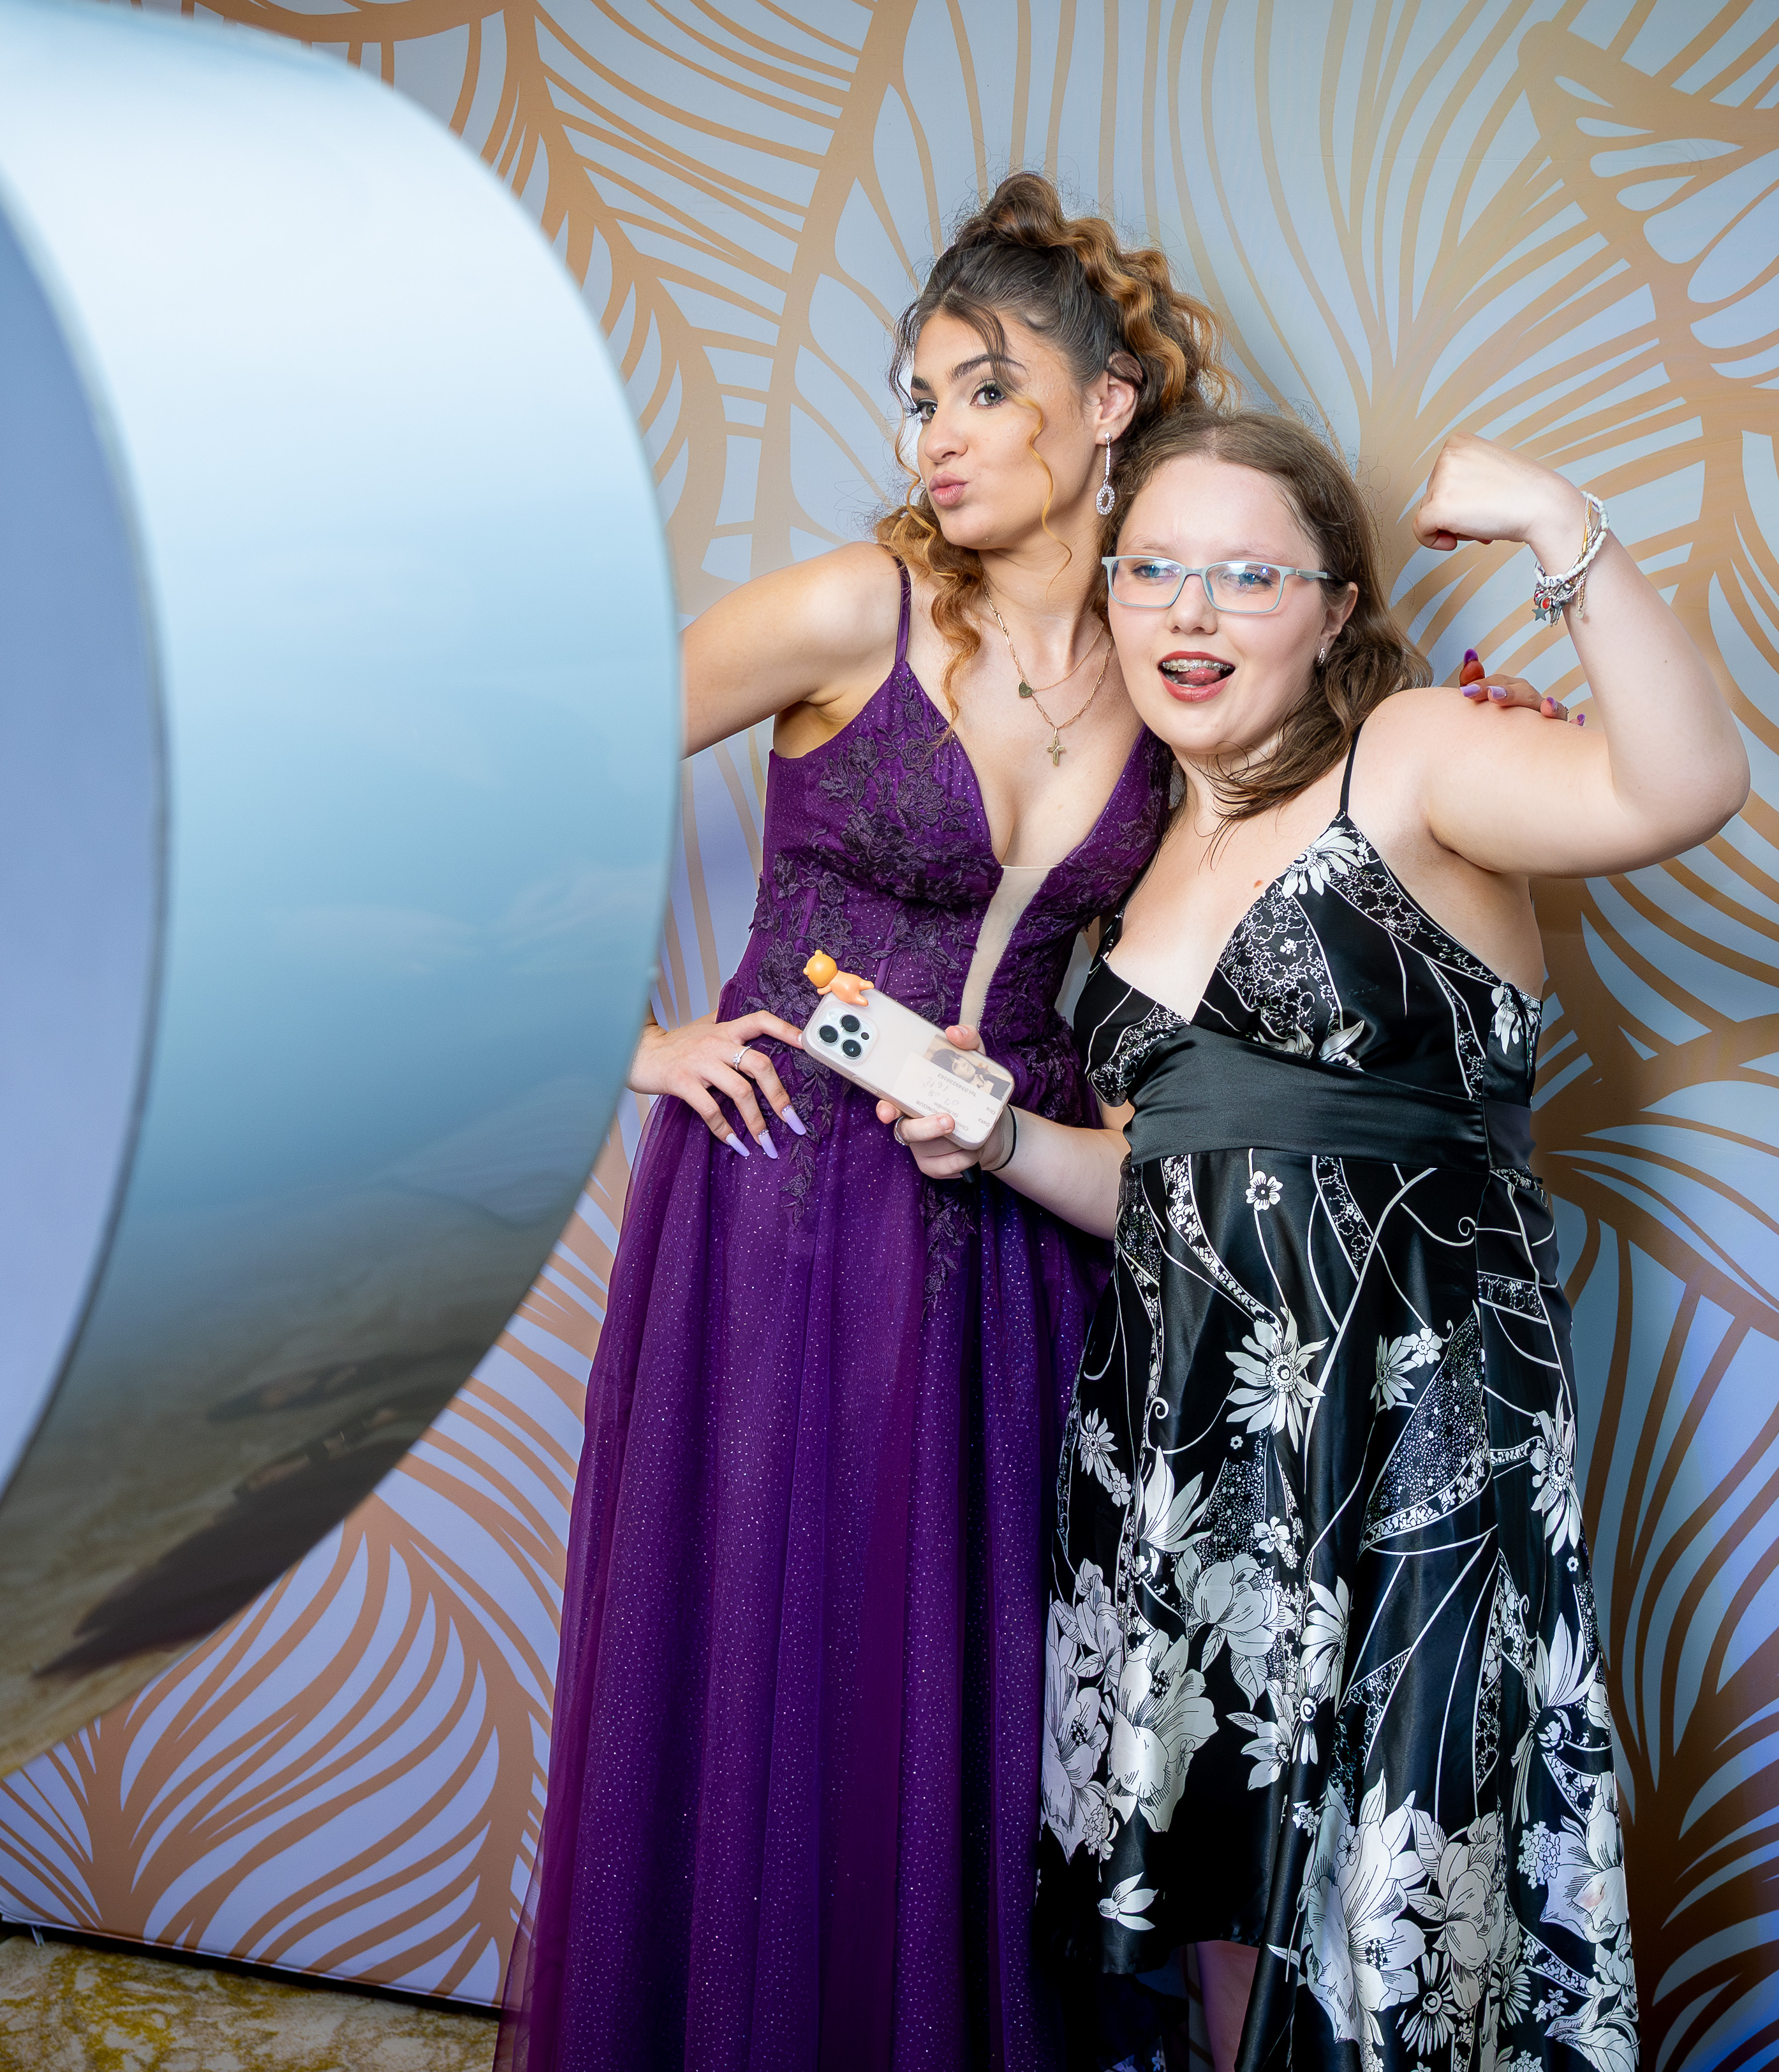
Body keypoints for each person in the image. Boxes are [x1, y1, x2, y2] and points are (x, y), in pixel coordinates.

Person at [882, 410, 1744, 2072]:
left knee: (1394, 1900)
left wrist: (1556, 523)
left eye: (1247, 576)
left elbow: (1683, 784)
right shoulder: (1145, 856)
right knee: (1222, 1885)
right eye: (1153, 571)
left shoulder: (1412, 757)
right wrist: (996, 1136)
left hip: (1405, 1441)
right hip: (1182, 1454)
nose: (1189, 612)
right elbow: (1162, 1180)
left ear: (1338, 608)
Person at [498, 175, 1227, 2072]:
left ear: (1109, 406)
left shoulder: (1166, 663)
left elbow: (1302, 823)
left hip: (1017, 1225)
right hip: (783, 1207)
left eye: (986, 390)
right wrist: (629, 1044)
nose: (937, 438)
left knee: (970, 1684)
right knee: (767, 1648)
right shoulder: (856, 606)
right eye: (919, 398)